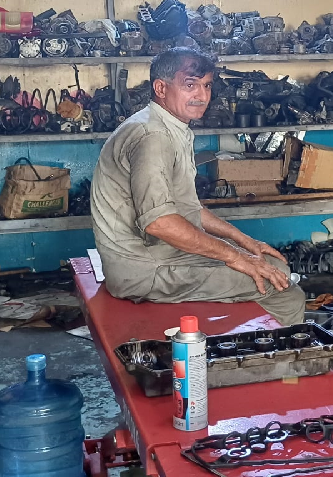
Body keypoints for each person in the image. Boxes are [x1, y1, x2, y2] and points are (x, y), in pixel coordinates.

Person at [90, 47, 306, 325]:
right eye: (190, 85)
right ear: (161, 88)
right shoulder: (153, 135)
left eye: (207, 86)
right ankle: (268, 351)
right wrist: (234, 256)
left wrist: (244, 242)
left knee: (270, 265)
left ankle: (249, 342)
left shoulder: (170, 126)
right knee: (283, 287)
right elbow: (160, 223)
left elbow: (188, 207)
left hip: (160, 254)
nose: (202, 96)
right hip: (143, 269)